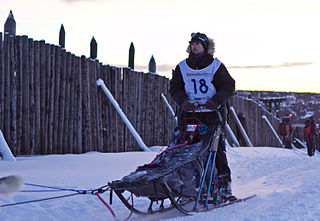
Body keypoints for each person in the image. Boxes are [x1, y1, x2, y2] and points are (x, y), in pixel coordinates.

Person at [169, 32, 236, 200]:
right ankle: (189, 187)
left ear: (206, 47)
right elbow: (175, 88)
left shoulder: (215, 66)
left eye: (198, 43)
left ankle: (223, 186)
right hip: (189, 115)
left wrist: (216, 101)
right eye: (192, 43)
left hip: (212, 115)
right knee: (185, 150)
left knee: (216, 151)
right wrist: (183, 101)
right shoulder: (182, 67)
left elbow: (229, 86)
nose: (195, 46)